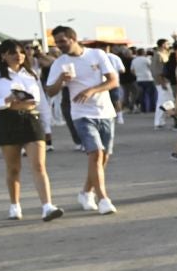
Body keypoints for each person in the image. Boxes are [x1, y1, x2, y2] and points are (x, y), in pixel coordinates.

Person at [0, 40, 63, 221]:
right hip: (8, 120)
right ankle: (14, 205)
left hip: (31, 119)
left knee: (39, 165)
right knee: (13, 168)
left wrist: (47, 127)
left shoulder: (31, 74)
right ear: (3, 56)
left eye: (21, 52)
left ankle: (47, 206)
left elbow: (42, 102)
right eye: (12, 52)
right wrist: (6, 101)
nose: (19, 55)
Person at [42, 25, 120, 215]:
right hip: (81, 114)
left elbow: (113, 81)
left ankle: (86, 192)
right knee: (95, 153)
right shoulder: (60, 63)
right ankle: (103, 199)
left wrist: (92, 90)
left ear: (73, 38)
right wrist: (61, 79)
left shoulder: (97, 55)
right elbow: (49, 91)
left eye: (63, 41)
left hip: (105, 112)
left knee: (103, 157)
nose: (60, 45)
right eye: (57, 42)